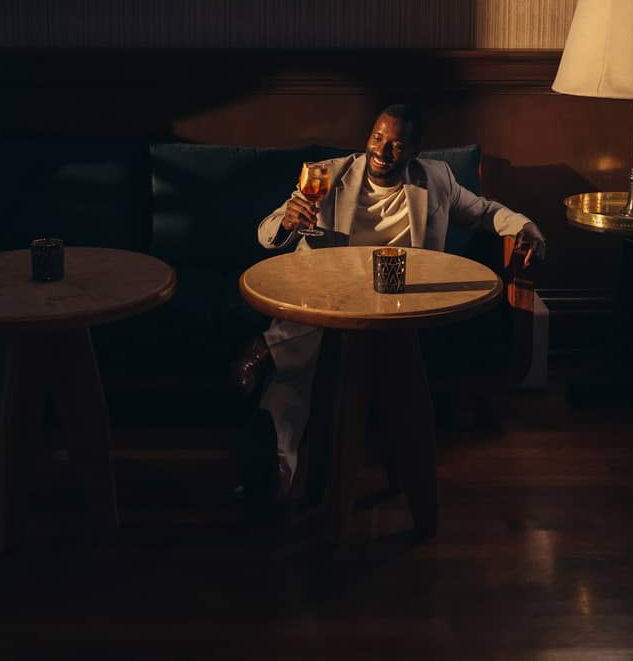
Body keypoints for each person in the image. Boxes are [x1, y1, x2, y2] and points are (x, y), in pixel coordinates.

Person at [234, 105, 548, 507]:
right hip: (329, 289)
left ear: (415, 152)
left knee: (295, 367)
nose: (382, 151)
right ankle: (275, 473)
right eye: (377, 139)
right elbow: (266, 233)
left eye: (396, 145)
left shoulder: (437, 179)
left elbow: (486, 212)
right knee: (307, 360)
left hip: (394, 300)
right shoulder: (329, 174)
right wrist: (287, 221)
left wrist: (524, 227)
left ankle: (268, 350)